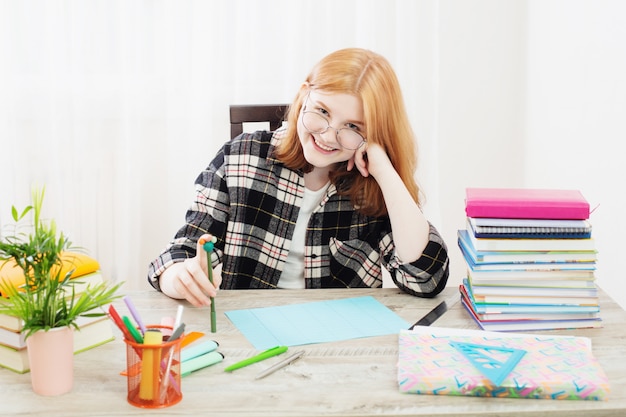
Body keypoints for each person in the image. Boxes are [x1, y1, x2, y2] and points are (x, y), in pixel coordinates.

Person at [148, 48, 449, 307]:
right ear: (304, 95)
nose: (328, 136)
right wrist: (178, 277)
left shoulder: (372, 186)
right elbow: (181, 249)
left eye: (353, 127)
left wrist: (384, 169)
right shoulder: (241, 156)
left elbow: (425, 278)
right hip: (243, 334)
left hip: (339, 347)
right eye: (322, 111)